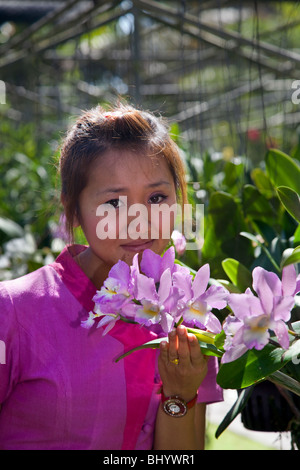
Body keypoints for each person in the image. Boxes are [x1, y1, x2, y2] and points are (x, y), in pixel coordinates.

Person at [0, 103, 223, 450]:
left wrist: (180, 393)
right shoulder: (12, 311)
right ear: (73, 209)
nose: (140, 220)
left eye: (156, 197)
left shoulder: (188, 313)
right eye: (115, 203)